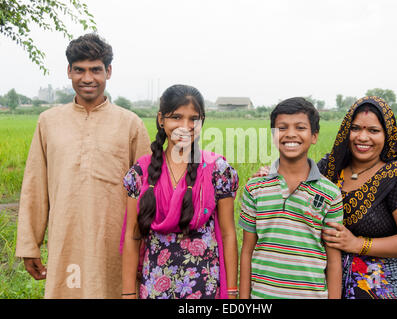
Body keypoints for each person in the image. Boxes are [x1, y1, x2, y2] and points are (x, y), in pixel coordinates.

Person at [15, 33, 151, 298]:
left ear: (108, 71)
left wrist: (146, 249)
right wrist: (30, 245)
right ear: (69, 71)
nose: (87, 78)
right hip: (66, 242)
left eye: (95, 70)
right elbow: (35, 187)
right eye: (79, 70)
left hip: (116, 246)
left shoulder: (130, 124)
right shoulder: (48, 122)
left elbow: (148, 192)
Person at [121, 84, 239, 299]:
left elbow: (229, 233)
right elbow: (132, 235)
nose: (186, 126)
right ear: (161, 119)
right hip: (155, 284)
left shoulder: (217, 170)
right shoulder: (142, 172)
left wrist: (231, 292)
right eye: (176, 117)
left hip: (204, 286)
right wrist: (128, 293)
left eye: (194, 119)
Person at [318, 96, 397, 299]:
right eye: (356, 128)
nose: (362, 137)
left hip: (380, 286)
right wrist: (270, 174)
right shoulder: (331, 167)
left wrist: (357, 244)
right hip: (328, 282)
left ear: (388, 135)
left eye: (373, 130)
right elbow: (297, 180)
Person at [239, 97, 343, 299]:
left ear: (314, 136)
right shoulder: (255, 188)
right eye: (282, 128)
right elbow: (247, 251)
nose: (291, 134)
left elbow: (334, 260)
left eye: (300, 127)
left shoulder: (330, 193)